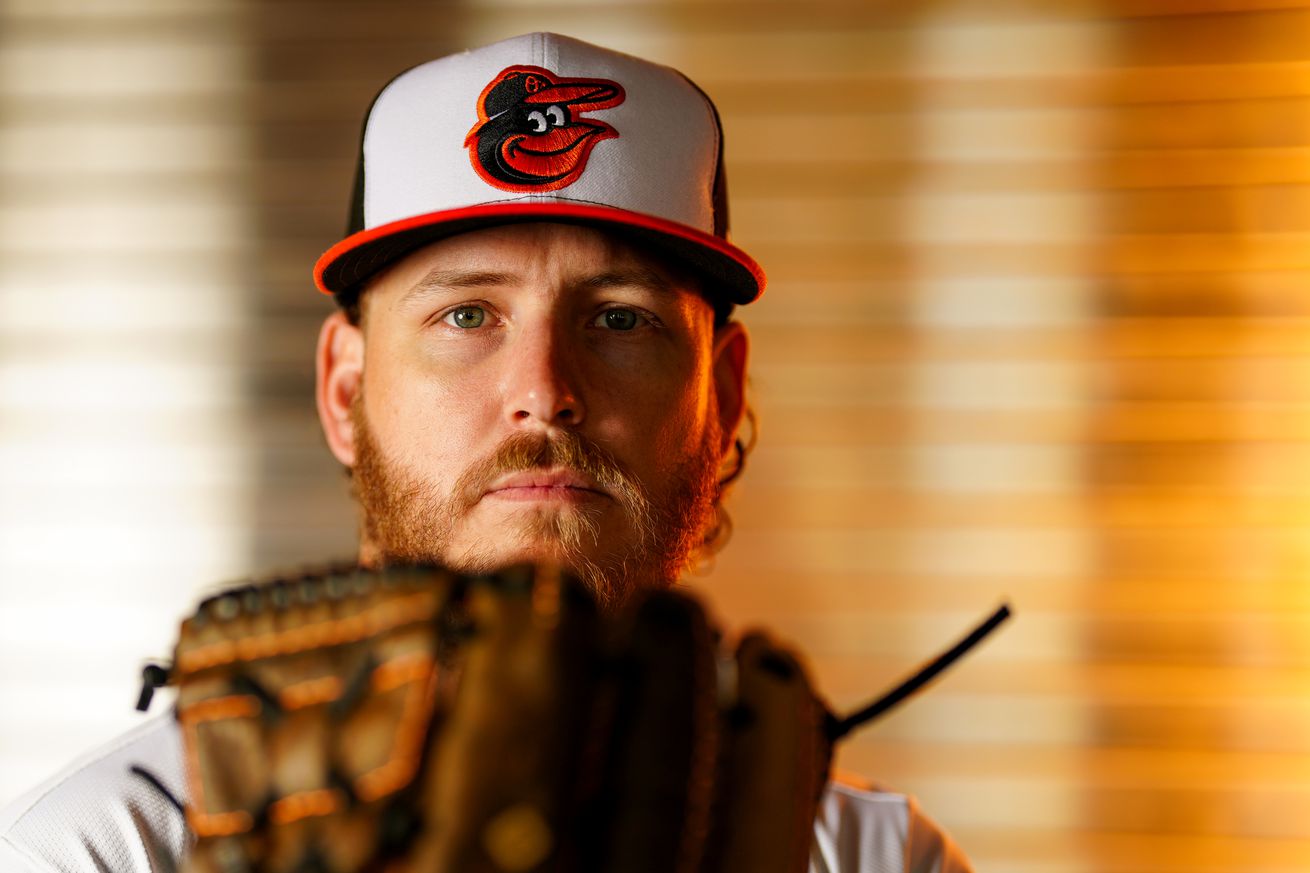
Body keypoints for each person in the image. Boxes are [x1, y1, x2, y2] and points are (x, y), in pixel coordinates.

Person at [0, 33, 973, 873]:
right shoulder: (112, 846)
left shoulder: (868, 855)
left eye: (621, 319)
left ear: (719, 394)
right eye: (466, 314)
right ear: (346, 392)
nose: (543, 389)